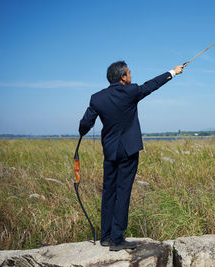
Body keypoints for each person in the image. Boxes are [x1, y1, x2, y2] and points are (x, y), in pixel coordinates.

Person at [78, 61, 183, 251]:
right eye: (130, 73)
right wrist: (173, 72)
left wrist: (82, 131)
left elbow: (85, 123)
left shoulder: (97, 98)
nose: (132, 76)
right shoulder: (131, 91)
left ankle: (106, 237)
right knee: (123, 192)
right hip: (128, 151)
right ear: (123, 77)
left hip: (110, 152)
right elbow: (151, 85)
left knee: (109, 193)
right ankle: (117, 239)